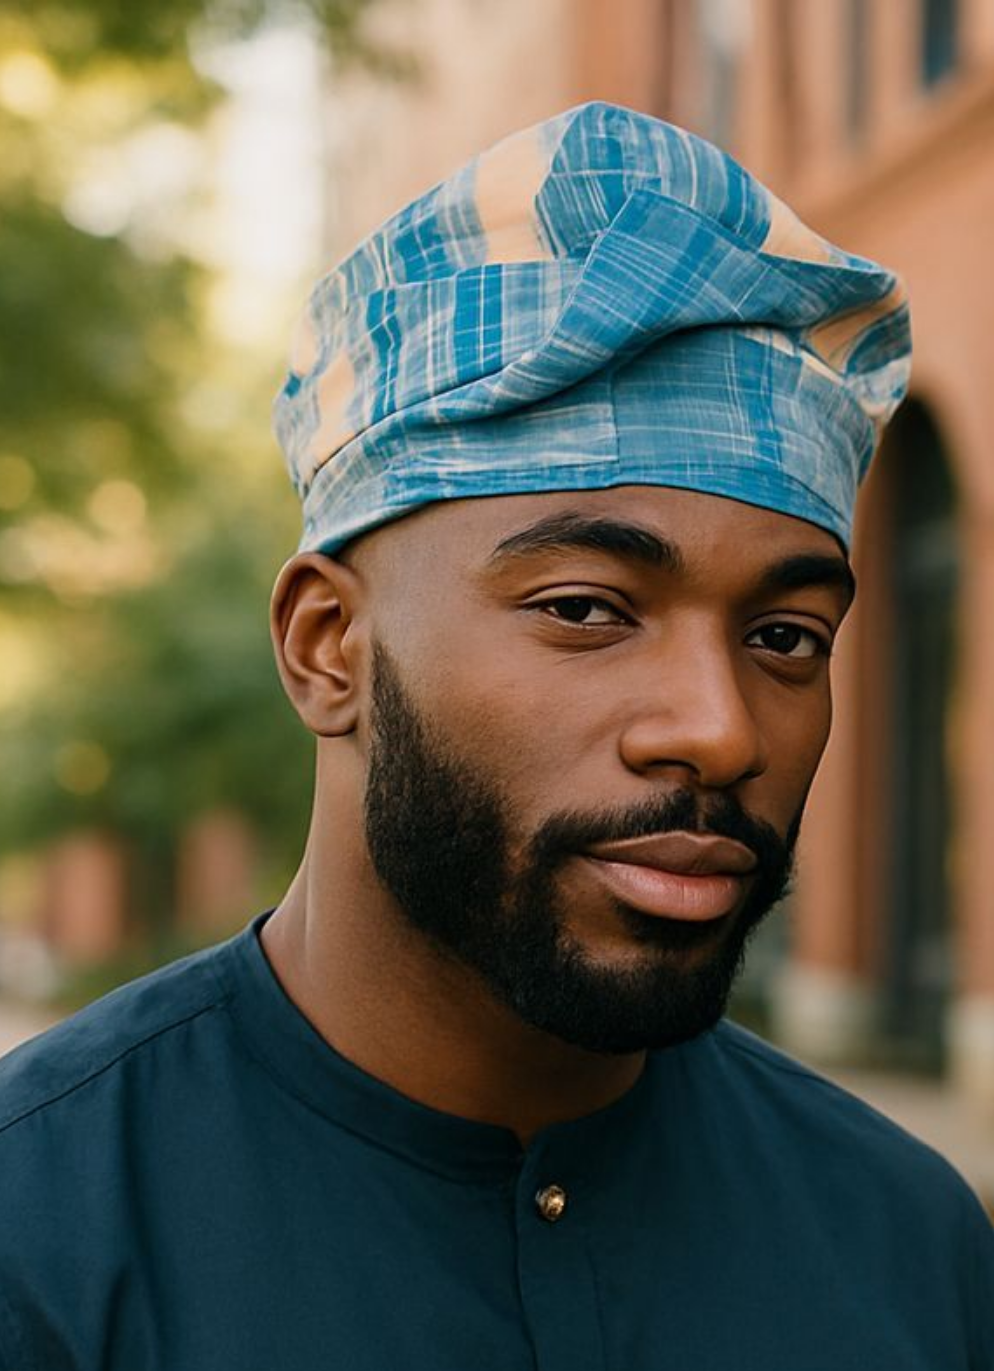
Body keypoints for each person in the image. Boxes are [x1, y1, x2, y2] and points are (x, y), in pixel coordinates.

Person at [0, 102, 991, 1370]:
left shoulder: (903, 1240)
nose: (719, 729)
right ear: (327, 646)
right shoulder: (43, 1236)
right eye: (585, 609)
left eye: (785, 636)